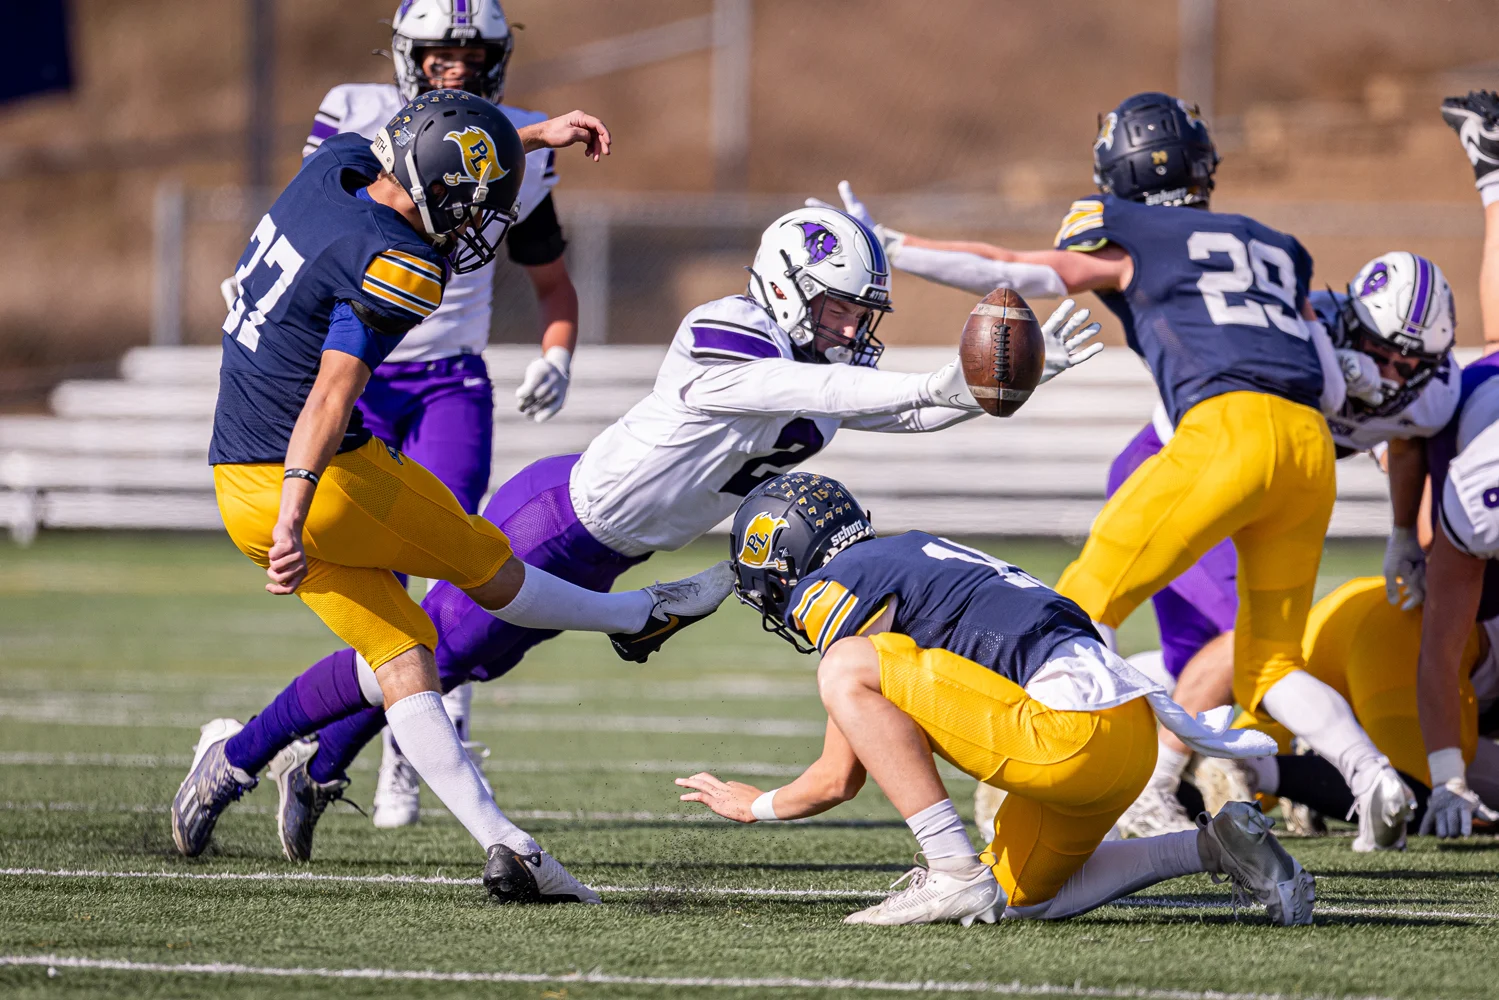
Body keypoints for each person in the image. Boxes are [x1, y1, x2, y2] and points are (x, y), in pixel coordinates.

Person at [193, 205, 1107, 869]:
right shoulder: (726, 334)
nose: (850, 330)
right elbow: (842, 396)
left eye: (858, 314)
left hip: (612, 549)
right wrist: (943, 375)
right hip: (554, 523)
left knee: (441, 659)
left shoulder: (808, 374)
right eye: (836, 310)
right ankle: (237, 755)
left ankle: (313, 766)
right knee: (418, 653)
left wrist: (996, 389)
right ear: (788, 292)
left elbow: (899, 417)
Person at [173, 90, 734, 905]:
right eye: (476, 206)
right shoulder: (399, 262)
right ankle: (637, 615)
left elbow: (415, 143)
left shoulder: (331, 170)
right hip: (322, 482)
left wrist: (533, 132)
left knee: (404, 655)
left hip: (234, 488)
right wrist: (299, 506)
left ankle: (504, 844)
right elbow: (332, 394)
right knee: (489, 568)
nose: (480, 226)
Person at [824, 91, 1418, 852]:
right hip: (1307, 448)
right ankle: (1372, 779)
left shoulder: (1133, 229)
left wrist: (893, 245)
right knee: (1267, 658)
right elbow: (1332, 386)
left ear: (1120, 171)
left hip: (1224, 429)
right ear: (1202, 164)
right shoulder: (1272, 244)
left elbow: (1019, 272)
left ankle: (1063, 779)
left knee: (1074, 603)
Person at [677, 472, 1312, 927]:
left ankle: (951, 868)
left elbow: (837, 778)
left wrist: (753, 805)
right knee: (1024, 896)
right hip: (1125, 735)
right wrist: (759, 805)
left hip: (1067, 735)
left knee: (847, 665)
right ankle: (1217, 846)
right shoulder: (912, 554)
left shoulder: (843, 581)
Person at [295, 0, 581, 828]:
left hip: (448, 378)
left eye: (471, 52)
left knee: (451, 558)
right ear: (405, 55)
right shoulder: (353, 116)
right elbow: (320, 213)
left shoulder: (529, 143)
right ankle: (384, 729)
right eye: (439, 53)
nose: (455, 65)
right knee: (370, 571)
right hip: (357, 367)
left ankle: (404, 747)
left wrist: (557, 352)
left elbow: (552, 284)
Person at [1105, 251, 1461, 837]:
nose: (1395, 375)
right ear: (1350, 326)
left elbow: (1408, 439)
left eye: (1411, 361)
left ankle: (1115, 755)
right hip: (1180, 471)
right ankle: (1152, 788)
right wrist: (1313, 377)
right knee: (1246, 638)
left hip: (1260, 497)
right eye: (1383, 354)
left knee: (1191, 663)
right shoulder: (1296, 336)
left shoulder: (1433, 393)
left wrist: (1403, 533)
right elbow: (1194, 408)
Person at [1412, 89, 1499, 838]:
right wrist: (1447, 779)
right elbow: (1438, 650)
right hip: (1462, 422)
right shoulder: (1467, 505)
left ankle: (1494, 178)